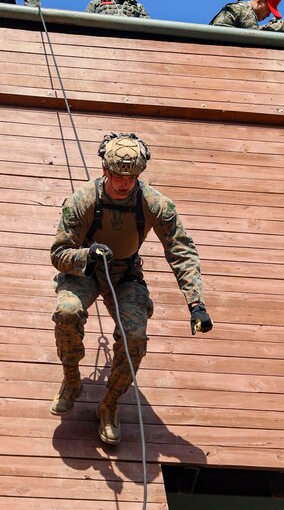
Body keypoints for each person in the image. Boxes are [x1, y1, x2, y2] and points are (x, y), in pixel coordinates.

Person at [50, 134, 212, 445]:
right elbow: (59, 254)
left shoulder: (154, 204)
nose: (125, 184)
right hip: (84, 270)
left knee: (134, 337)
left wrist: (196, 303)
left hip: (125, 275)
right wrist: (87, 255)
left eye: (132, 178)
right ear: (105, 171)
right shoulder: (82, 201)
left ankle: (110, 404)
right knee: (66, 312)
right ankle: (71, 379)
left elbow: (181, 250)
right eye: (118, 177)